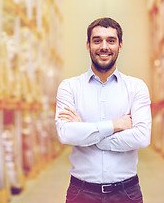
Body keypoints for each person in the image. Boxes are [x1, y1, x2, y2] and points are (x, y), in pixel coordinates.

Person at [55, 17, 152, 203]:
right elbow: (66, 134)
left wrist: (88, 133)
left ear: (120, 45)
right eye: (97, 40)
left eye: (111, 40)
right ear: (88, 45)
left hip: (127, 192)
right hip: (81, 192)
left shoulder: (136, 87)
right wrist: (116, 125)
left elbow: (142, 137)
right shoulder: (69, 87)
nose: (104, 47)